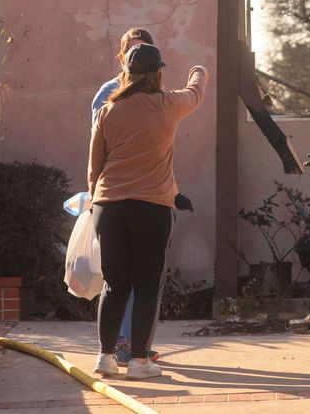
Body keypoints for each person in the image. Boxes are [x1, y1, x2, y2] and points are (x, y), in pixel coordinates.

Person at [89, 43, 208, 379]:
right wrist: (199, 68)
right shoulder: (167, 104)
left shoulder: (108, 111)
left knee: (114, 285)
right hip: (151, 207)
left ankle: (105, 357)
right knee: (146, 286)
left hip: (108, 207)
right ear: (158, 73)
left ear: (126, 72)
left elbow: (94, 168)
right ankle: (140, 361)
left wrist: (94, 201)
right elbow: (195, 92)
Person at [91, 27, 160, 366]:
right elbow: (99, 152)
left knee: (126, 282)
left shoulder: (155, 99)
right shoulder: (111, 95)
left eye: (144, 51)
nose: (139, 58)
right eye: (133, 51)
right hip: (130, 199)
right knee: (128, 282)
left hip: (120, 200)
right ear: (122, 58)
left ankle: (127, 348)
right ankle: (127, 350)